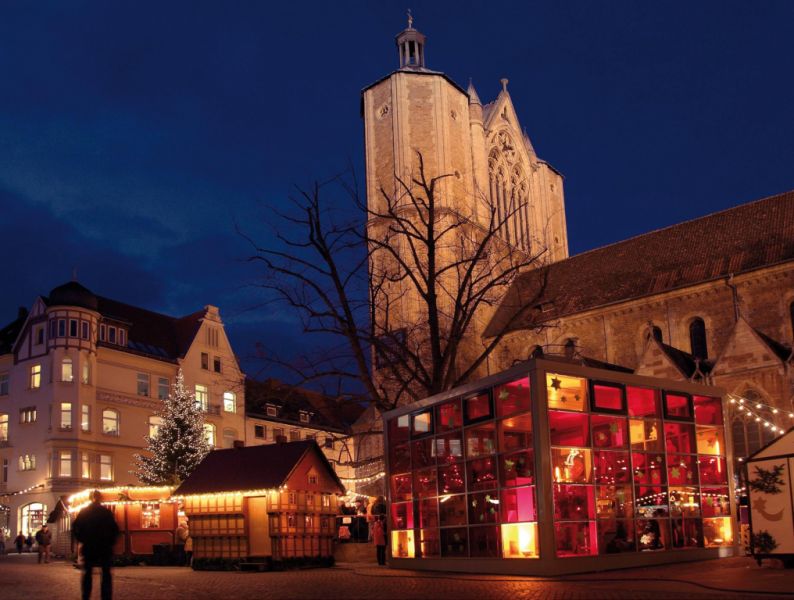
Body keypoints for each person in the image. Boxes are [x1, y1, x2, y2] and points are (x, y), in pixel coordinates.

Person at [73, 490, 120, 600]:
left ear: (90, 498)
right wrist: (111, 542)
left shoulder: (84, 512)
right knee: (106, 573)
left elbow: (75, 527)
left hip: (89, 545)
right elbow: (115, 529)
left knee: (87, 573)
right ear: (100, 498)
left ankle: (86, 596)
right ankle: (106, 597)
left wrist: (81, 539)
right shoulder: (106, 512)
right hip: (104, 546)